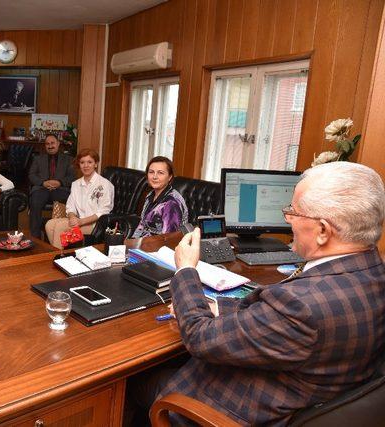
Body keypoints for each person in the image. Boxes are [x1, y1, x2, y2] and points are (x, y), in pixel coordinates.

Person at [126, 161, 385, 426]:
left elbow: (199, 337)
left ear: (322, 231)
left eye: (292, 212)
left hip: (231, 405)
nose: (288, 220)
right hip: (299, 390)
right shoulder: (373, 273)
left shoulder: (302, 306)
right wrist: (219, 308)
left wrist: (186, 270)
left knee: (133, 380)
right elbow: (279, 317)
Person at [45, 149, 114, 249]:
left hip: (95, 225)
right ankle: (63, 256)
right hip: (78, 221)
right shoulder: (76, 184)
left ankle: (57, 258)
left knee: (60, 226)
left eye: (89, 162)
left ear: (96, 164)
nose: (86, 166)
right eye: (82, 162)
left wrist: (81, 222)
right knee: (49, 224)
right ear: (79, 164)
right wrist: (72, 217)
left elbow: (103, 212)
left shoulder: (104, 184)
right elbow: (70, 206)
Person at [27, 134, 76, 238]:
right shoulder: (38, 159)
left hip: (60, 189)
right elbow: (31, 175)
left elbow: (72, 177)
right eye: (47, 144)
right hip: (41, 188)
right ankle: (35, 238)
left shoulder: (68, 159)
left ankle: (63, 235)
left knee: (69, 202)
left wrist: (59, 182)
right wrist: (43, 183)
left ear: (58, 144)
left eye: (52, 143)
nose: (50, 146)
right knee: (34, 203)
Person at [132, 156, 188, 238]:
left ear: (170, 177)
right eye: (151, 172)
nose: (154, 177)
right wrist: (132, 244)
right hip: (146, 244)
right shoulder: (150, 195)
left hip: (163, 248)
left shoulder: (171, 203)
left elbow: (168, 239)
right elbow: (142, 226)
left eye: (160, 173)